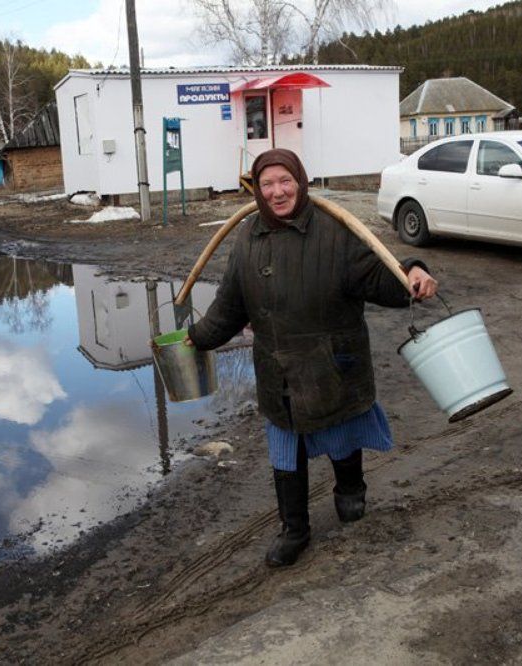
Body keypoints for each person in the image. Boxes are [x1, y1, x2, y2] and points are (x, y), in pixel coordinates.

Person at [187, 148, 438, 568]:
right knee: (286, 452)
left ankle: (350, 490)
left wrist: (410, 273)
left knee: (341, 434)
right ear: (257, 189)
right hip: (277, 369)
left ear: (300, 181)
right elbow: (229, 306)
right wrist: (195, 339)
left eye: (285, 181)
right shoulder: (248, 237)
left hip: (331, 364)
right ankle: (295, 529)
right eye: (267, 184)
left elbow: (381, 273)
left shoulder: (334, 229)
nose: (277, 191)